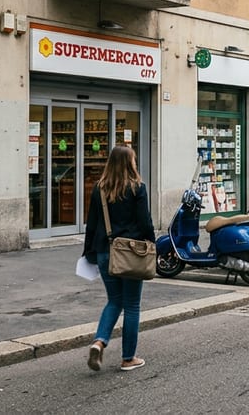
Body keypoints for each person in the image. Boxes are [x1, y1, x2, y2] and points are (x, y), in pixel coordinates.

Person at [82, 145, 156, 373]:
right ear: (129, 163)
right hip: (131, 253)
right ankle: (128, 358)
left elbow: (92, 224)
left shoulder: (99, 189)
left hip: (106, 251)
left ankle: (99, 341)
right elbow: (145, 222)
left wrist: (89, 253)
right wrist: (153, 245)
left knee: (114, 300)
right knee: (132, 305)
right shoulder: (138, 188)